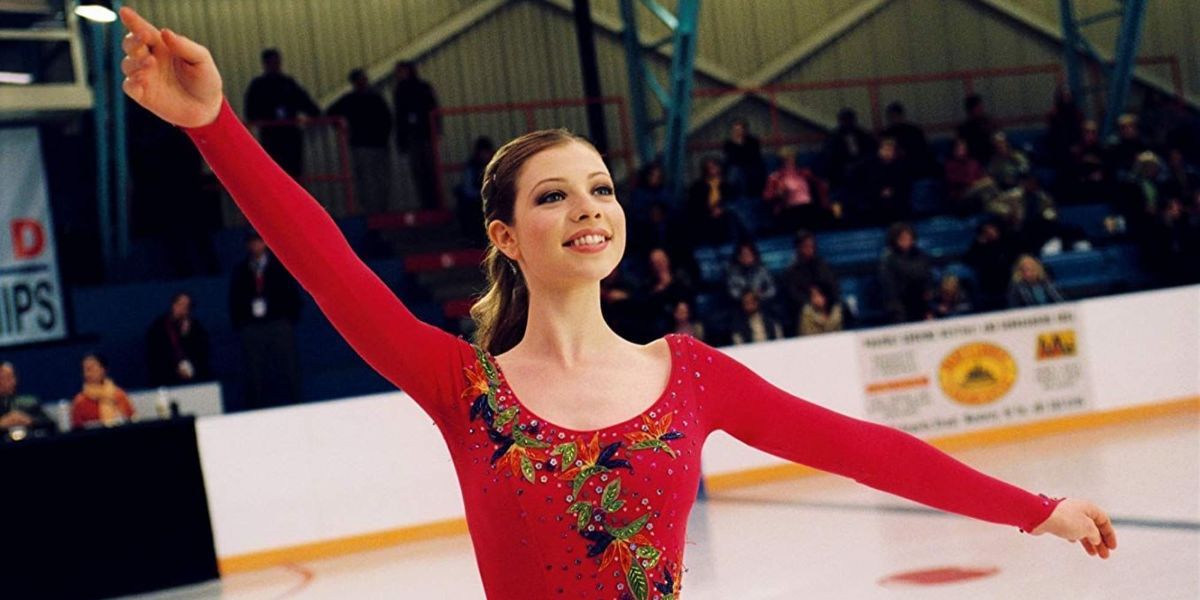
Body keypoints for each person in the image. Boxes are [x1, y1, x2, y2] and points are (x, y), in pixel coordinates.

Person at [117, 9, 1118, 595]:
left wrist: (1035, 510)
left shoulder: (690, 375)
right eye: (553, 195)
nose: (589, 209)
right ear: (505, 236)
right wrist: (215, 127)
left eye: (600, 187)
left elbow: (869, 449)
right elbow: (325, 261)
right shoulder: (460, 383)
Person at [229, 232, 302, 409]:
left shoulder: (280, 266)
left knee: (288, 366)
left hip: (278, 321)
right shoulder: (241, 270)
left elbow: (292, 295)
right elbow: (235, 299)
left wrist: (288, 317)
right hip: (252, 325)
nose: (256, 246)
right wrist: (242, 321)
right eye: (252, 242)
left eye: (259, 242)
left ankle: (297, 403)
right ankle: (256, 407)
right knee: (254, 370)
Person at [244, 48, 319, 176]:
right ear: (265, 64)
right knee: (274, 170)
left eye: (277, 62)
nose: (276, 65)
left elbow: (305, 102)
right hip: (272, 134)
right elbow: (250, 110)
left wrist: (315, 115)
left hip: (290, 134)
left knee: (293, 170)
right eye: (272, 62)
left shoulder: (288, 83)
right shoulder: (259, 86)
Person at [327, 68, 393, 215]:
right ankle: (371, 211)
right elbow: (331, 113)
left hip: (377, 145)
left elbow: (387, 119)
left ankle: (381, 210)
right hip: (362, 145)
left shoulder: (375, 99)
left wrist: (384, 136)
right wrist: (342, 126)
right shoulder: (350, 100)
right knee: (367, 180)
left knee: (381, 180)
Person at [392, 60, 441, 210]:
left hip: (425, 134)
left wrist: (436, 130)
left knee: (430, 169)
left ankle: (435, 202)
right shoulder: (399, 90)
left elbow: (433, 109)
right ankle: (426, 203)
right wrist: (401, 139)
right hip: (412, 136)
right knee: (418, 171)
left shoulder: (422, 87)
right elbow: (399, 115)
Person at [145, 292, 213, 387]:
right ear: (173, 305)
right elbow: (155, 355)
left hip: (193, 378)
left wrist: (187, 336)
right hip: (166, 378)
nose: (184, 309)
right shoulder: (159, 327)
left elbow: (203, 352)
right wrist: (175, 369)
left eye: (187, 306)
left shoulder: (196, 327)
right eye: (181, 304)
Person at [780, 230, 840, 327]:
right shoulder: (791, 271)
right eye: (805, 246)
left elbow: (834, 288)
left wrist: (825, 300)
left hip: (826, 307)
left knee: (837, 310)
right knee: (807, 312)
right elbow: (793, 295)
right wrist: (812, 301)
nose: (809, 249)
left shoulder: (822, 266)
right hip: (804, 311)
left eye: (811, 246)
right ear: (798, 248)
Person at [762, 146, 830, 232]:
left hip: (808, 206)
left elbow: (821, 184)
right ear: (781, 161)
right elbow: (767, 196)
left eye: (791, 158)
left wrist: (824, 195)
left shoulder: (804, 173)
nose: (789, 161)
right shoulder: (775, 177)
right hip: (789, 209)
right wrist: (778, 193)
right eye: (786, 159)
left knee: (822, 217)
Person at [686, 156, 748, 246]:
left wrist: (721, 208)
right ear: (705, 170)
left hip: (723, 212)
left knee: (734, 212)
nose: (715, 170)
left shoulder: (725, 184)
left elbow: (731, 200)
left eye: (716, 167)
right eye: (711, 168)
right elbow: (694, 205)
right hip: (704, 214)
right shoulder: (698, 186)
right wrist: (710, 210)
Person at [879, 223, 934, 323]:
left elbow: (927, 276)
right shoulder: (889, 259)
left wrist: (928, 291)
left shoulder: (920, 255)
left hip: (920, 301)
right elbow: (889, 287)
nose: (906, 241)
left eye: (909, 238)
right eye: (903, 238)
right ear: (895, 240)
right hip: (900, 305)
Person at [71, 353, 134, 428]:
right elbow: (77, 431)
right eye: (85, 370)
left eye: (91, 369)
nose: (87, 374)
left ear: (103, 369)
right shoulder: (79, 402)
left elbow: (131, 421)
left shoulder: (119, 395)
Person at [455, 136, 496, 247]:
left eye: (486, 152)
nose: (484, 155)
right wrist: (481, 195)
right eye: (482, 153)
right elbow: (467, 189)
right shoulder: (472, 167)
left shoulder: (496, 165)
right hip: (477, 201)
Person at [944, 137, 999, 215]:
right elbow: (957, 182)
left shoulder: (972, 162)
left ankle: (994, 204)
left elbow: (981, 174)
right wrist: (976, 182)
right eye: (959, 147)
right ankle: (999, 197)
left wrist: (981, 179)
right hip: (962, 194)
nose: (962, 149)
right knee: (989, 182)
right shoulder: (950, 165)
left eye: (963, 147)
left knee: (987, 189)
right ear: (953, 150)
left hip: (977, 191)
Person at [821, 108, 877, 185]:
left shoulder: (861, 134)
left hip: (861, 164)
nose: (847, 123)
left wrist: (862, 161)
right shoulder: (834, 137)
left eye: (849, 120)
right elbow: (830, 157)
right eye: (844, 120)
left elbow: (872, 149)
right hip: (843, 168)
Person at [0, 362, 55, 439]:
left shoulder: (29, 403)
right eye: (6, 378)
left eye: (12, 377)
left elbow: (51, 425)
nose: (13, 382)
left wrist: (30, 421)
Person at [881, 102, 933, 176]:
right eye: (892, 116)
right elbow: (886, 153)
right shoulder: (888, 133)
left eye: (896, 115)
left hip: (914, 164)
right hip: (898, 165)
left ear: (901, 115)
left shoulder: (914, 130)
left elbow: (922, 149)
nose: (894, 118)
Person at [725, 242, 777, 310]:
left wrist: (760, 295)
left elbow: (772, 289)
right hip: (740, 307)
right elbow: (731, 291)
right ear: (738, 257)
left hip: (763, 304)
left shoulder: (763, 270)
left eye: (748, 254)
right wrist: (744, 296)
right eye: (743, 254)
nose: (746, 257)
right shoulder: (732, 273)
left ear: (754, 255)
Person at [722, 119, 767, 197]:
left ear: (745, 130)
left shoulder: (753, 141)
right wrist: (737, 144)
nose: (738, 132)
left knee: (752, 172)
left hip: (752, 167)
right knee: (734, 172)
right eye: (735, 129)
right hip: (737, 168)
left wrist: (740, 146)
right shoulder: (728, 144)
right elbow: (733, 159)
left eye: (740, 129)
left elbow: (751, 157)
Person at [957, 94, 997, 165]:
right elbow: (962, 149)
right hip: (974, 161)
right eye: (978, 108)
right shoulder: (964, 128)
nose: (981, 110)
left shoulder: (988, 123)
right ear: (970, 110)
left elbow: (998, 137)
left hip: (993, 158)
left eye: (981, 107)